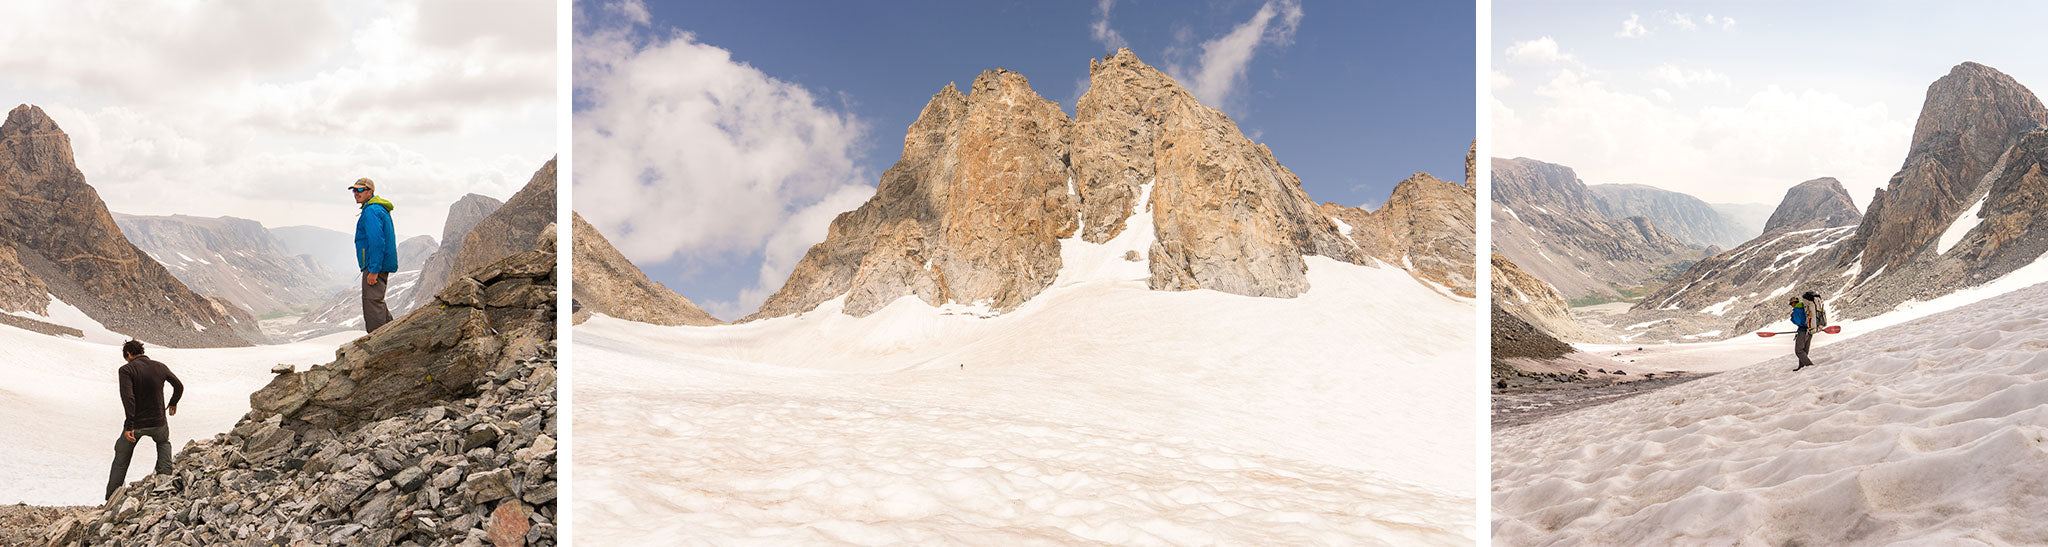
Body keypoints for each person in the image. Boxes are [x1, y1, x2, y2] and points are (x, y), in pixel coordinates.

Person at [107, 340, 183, 500]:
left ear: (128, 354)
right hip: (159, 422)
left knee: (121, 456)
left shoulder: (126, 370)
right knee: (163, 443)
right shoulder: (160, 366)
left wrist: (129, 425)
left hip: (136, 425)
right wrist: (173, 402)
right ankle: (164, 482)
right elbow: (179, 385)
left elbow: (128, 399)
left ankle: (112, 497)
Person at [351, 178, 398, 333]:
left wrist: (374, 270)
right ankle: (391, 334)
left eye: (360, 190)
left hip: (375, 266)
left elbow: (377, 241)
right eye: (354, 190)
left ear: (370, 192)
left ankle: (377, 342)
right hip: (377, 264)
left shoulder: (372, 210)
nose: (356, 194)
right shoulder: (376, 209)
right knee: (377, 302)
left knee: (372, 304)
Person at [1789, 297, 1815, 371]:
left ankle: (1809, 366)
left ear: (1794, 303)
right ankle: (1802, 366)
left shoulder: (1797, 310)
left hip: (1803, 332)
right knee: (1804, 350)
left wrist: (1792, 317)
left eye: (1791, 304)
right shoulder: (1804, 307)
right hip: (1810, 331)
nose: (1791, 305)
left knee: (1799, 351)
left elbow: (1798, 322)